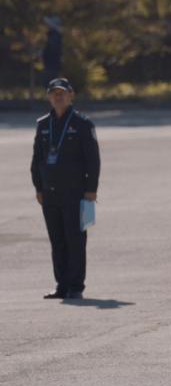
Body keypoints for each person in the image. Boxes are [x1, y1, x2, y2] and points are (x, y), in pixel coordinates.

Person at [31, 78, 100, 300]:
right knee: (57, 239)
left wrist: (91, 189)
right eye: (54, 93)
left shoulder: (82, 124)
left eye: (62, 93)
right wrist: (38, 188)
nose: (58, 97)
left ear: (71, 95)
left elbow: (93, 160)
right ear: (49, 97)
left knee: (75, 239)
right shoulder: (43, 124)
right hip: (50, 193)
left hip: (76, 193)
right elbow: (37, 159)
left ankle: (75, 286)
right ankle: (61, 285)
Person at [42, 16, 63, 82]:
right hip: (52, 65)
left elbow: (52, 50)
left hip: (51, 65)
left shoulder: (54, 36)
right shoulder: (54, 36)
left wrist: (44, 53)